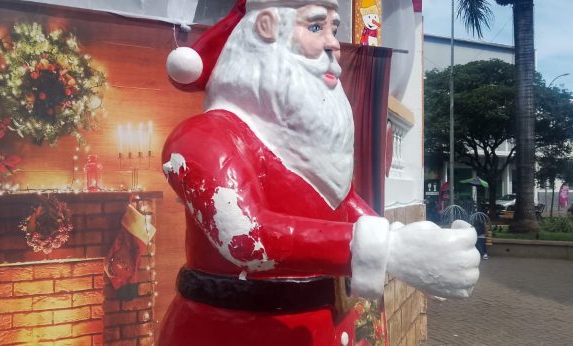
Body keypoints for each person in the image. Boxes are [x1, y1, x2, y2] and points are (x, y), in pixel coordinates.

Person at [160, 1, 480, 344]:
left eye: (334, 29)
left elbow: (343, 204)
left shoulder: (302, 150)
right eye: (316, 27)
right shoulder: (203, 137)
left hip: (320, 324)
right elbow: (247, 238)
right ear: (267, 26)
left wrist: (421, 248)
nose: (333, 44)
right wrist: (392, 250)